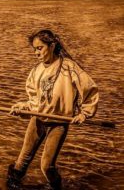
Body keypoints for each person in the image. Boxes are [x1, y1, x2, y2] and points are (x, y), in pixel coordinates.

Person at [7, 29, 99, 190]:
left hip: (59, 123)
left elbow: (90, 89)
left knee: (46, 166)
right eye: (34, 49)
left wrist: (84, 114)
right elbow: (34, 101)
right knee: (22, 161)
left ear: (52, 45)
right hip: (38, 119)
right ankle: (12, 185)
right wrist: (22, 107)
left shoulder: (69, 67)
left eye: (40, 48)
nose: (36, 52)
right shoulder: (36, 71)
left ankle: (56, 186)